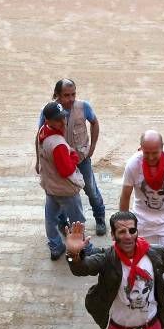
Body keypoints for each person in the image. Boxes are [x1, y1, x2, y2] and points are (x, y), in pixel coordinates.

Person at [119, 130, 164, 310]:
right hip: (143, 219)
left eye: (155, 152)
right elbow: (126, 194)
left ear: (162, 148)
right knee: (148, 260)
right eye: (146, 153)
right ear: (140, 149)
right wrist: (122, 226)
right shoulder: (132, 165)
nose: (151, 157)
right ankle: (161, 294)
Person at [38, 78, 106, 235]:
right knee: (60, 193)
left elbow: (94, 122)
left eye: (73, 94)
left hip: (81, 159)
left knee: (91, 190)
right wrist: (39, 162)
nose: (71, 99)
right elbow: (40, 135)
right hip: (59, 163)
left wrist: (93, 147)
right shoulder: (48, 111)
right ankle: (64, 224)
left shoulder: (83, 107)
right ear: (57, 95)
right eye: (66, 95)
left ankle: (100, 217)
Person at [35, 101, 87, 260]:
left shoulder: (43, 131)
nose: (62, 121)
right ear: (48, 120)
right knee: (77, 221)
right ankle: (84, 248)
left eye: (63, 117)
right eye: (58, 119)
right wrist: (73, 156)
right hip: (65, 189)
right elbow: (67, 170)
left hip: (50, 186)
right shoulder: (57, 143)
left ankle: (55, 246)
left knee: (51, 219)